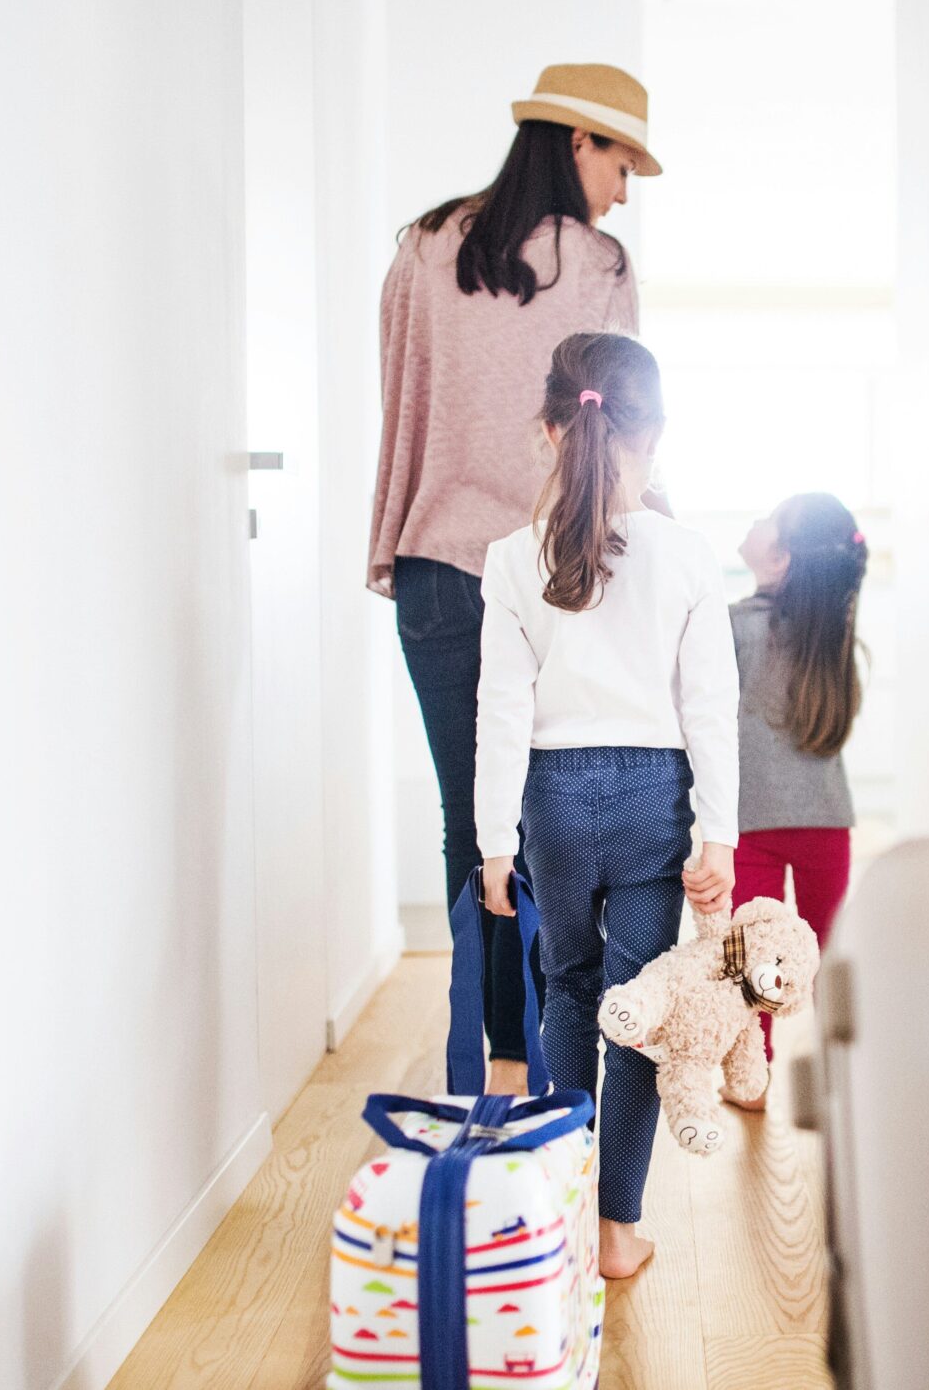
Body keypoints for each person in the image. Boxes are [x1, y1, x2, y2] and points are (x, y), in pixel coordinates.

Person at [369, 63, 659, 1097]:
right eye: (622, 159)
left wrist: (392, 538)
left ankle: (493, 1059)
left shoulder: (424, 245)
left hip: (437, 567)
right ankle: (554, 1058)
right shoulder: (601, 264)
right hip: (553, 577)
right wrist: (654, 539)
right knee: (553, 815)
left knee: (472, 821)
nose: (625, 185)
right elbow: (617, 432)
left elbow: (400, 401)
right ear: (578, 142)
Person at [474, 332, 739, 1280]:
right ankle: (617, 1230)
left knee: (569, 991)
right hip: (653, 797)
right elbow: (710, 704)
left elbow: (500, 710)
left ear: (551, 430)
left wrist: (493, 844)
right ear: (654, 433)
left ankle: (560, 1211)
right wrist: (721, 832)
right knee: (638, 1007)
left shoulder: (510, 559)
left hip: (551, 796)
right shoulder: (688, 553)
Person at [727, 492, 870, 1095]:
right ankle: (850, 1073)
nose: (754, 519)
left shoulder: (733, 626)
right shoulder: (832, 632)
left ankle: (750, 1075)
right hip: (826, 824)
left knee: (747, 955)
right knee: (827, 957)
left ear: (780, 558)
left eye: (768, 518)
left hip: (750, 822)